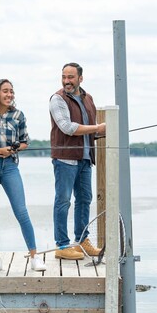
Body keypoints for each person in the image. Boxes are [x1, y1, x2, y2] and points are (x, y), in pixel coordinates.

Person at [0, 79, 47, 272]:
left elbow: (25, 142)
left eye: (12, 91)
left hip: (10, 167)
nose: (9, 95)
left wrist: (13, 149)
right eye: (5, 91)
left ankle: (34, 256)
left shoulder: (18, 115)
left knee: (21, 212)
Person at [49, 62, 106, 260]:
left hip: (85, 159)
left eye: (71, 77)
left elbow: (89, 129)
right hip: (64, 159)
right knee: (63, 201)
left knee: (84, 200)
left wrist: (101, 131)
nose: (67, 81)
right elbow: (67, 127)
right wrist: (98, 128)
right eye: (64, 77)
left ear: (80, 78)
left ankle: (82, 241)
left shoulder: (88, 99)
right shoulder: (57, 99)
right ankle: (62, 246)